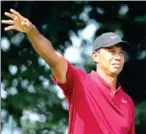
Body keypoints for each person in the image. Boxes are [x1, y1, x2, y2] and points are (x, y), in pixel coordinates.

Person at [2, 9, 135, 134]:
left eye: (121, 53)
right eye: (111, 52)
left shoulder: (127, 103)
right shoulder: (80, 81)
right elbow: (53, 58)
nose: (118, 57)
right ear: (95, 56)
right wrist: (31, 31)